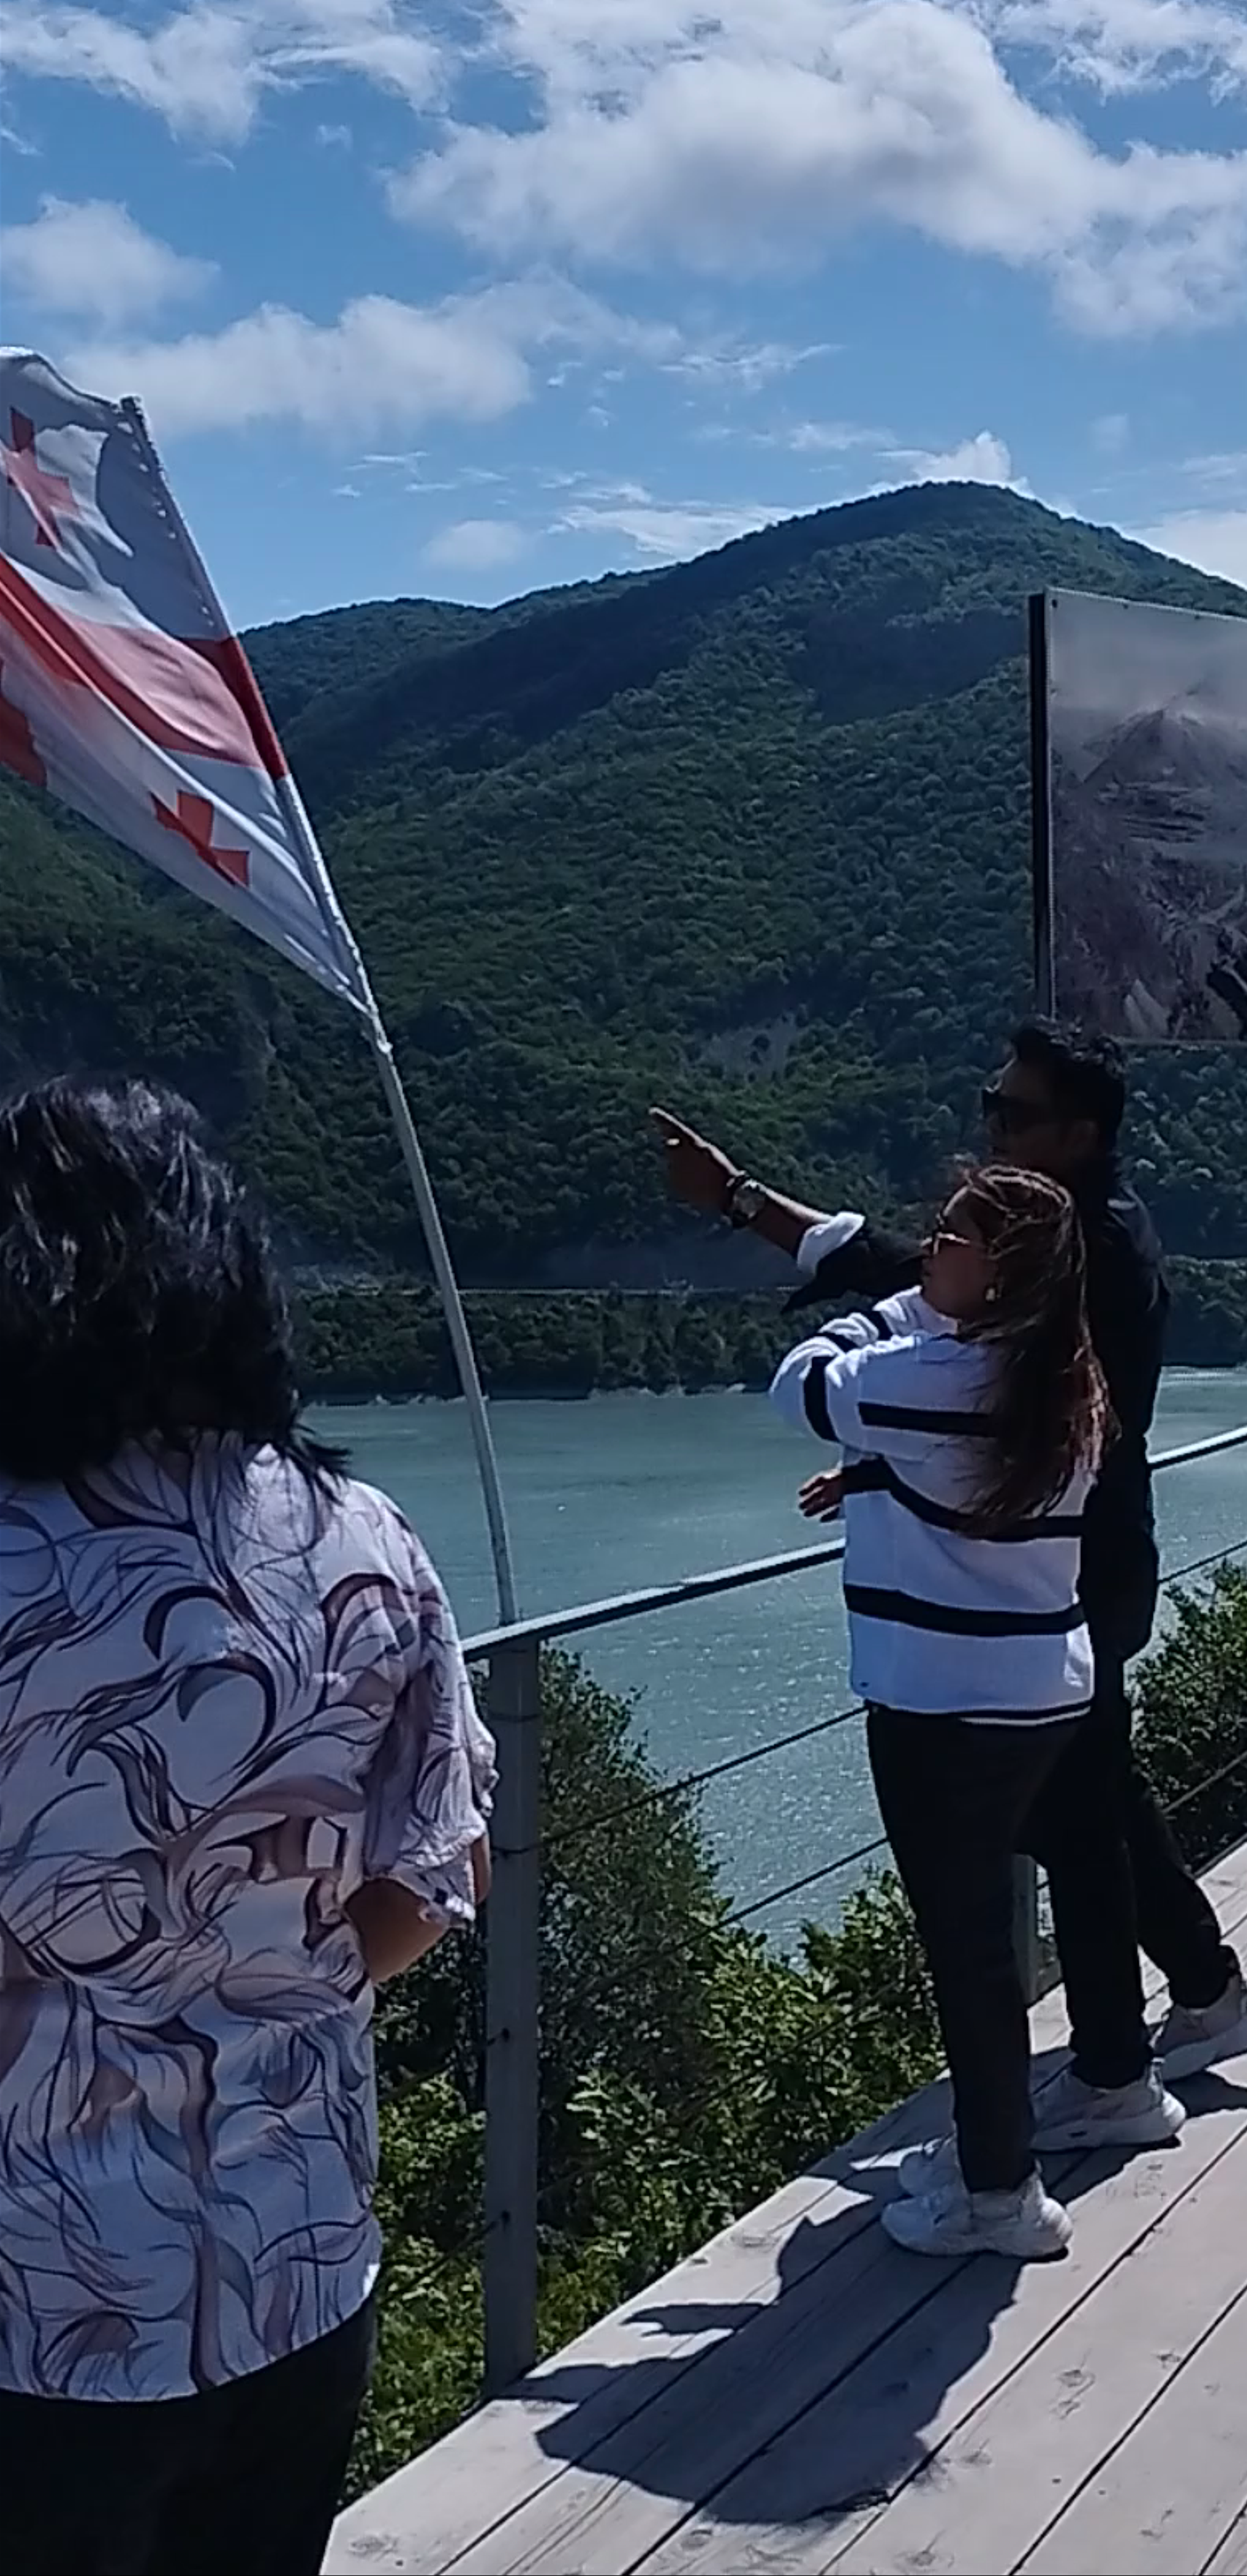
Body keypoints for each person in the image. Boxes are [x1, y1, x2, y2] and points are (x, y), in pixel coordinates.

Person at [0, 1080, 496, 2576]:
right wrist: (266, 1984)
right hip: (300, 2265)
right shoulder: (361, 1538)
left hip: (42, 2307)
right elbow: (440, 1872)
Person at [654, 1018, 1247, 2102]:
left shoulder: (1087, 1249)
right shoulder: (1094, 1231)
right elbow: (970, 1358)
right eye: (993, 1104)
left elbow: (931, 1303)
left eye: (1013, 1112)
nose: (991, 1127)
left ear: (1080, 1133)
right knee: (1090, 1797)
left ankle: (1112, 2077)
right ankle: (1195, 1998)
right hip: (1080, 1558)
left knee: (1073, 1824)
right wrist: (883, 1468)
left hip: (1065, 1569)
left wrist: (743, 1201)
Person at [771, 1164, 1113, 2260]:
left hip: (942, 1703)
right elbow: (964, 1488)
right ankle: (993, 2149)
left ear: (998, 1271)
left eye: (952, 1236)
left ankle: (1000, 2192)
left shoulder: (938, 1368)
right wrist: (874, 1475)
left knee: (967, 1951)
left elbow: (800, 1384)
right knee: (989, 1940)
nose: (930, 1249)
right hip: (1042, 1689)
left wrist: (896, 1311)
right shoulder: (1063, 1374)